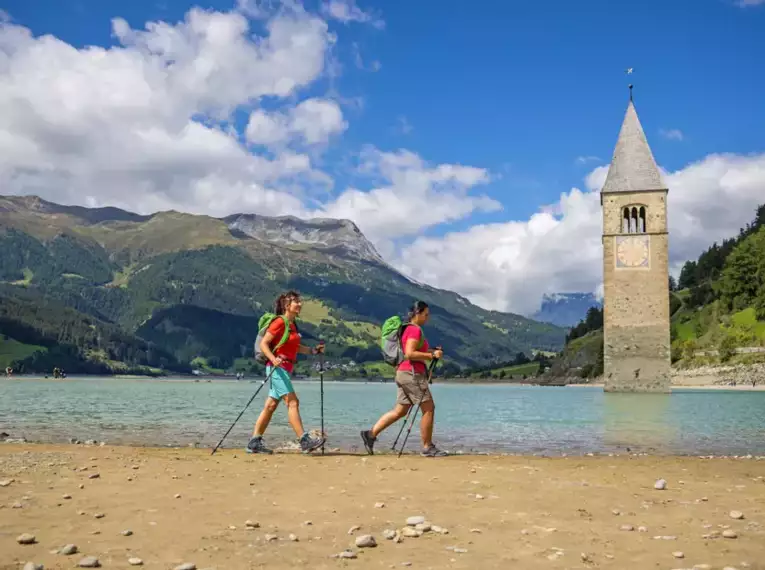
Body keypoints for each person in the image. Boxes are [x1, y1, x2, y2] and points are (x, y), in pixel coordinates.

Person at [360, 301, 448, 457]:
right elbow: (410, 353)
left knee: (400, 411)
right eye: (426, 314)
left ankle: (370, 434)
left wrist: (431, 351)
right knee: (428, 408)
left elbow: (412, 351)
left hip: (403, 372)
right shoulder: (414, 330)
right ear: (418, 313)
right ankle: (427, 447)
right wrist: (431, 355)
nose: (428, 317)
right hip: (412, 374)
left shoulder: (407, 329)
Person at [245, 290, 326, 455]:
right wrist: (273, 359)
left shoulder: (292, 324)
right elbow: (264, 344)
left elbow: (294, 346)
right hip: (277, 368)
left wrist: (313, 351)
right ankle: (304, 441)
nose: (300, 304)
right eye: (296, 301)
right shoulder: (279, 323)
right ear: (287, 305)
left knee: (271, 405)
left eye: (300, 301)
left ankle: (254, 442)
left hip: (285, 369)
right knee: (293, 402)